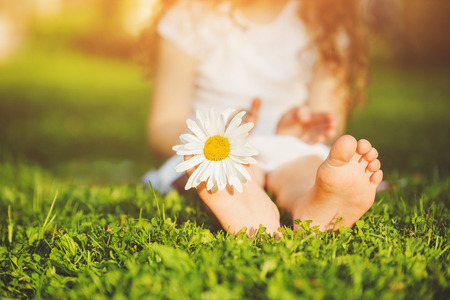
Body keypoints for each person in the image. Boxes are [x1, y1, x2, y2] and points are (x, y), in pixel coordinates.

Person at [139, 0, 383, 236]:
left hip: (285, 144)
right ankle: (244, 197)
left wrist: (303, 130)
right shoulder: (187, 17)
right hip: (211, 148)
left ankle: (315, 202)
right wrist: (217, 135)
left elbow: (330, 122)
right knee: (215, 169)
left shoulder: (326, 20)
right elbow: (164, 127)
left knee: (305, 167)